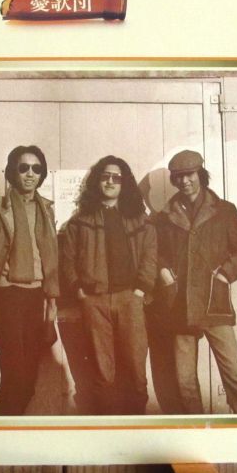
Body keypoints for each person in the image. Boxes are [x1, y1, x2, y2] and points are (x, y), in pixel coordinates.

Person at [151, 149, 237, 414]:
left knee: (235, 376)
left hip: (213, 302)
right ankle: (195, 430)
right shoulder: (165, 216)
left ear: (201, 174)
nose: (184, 181)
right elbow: (155, 252)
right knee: (184, 382)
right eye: (178, 177)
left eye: (190, 175)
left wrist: (224, 274)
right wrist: (163, 271)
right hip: (179, 305)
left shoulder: (224, 211)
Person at [60, 156, 156, 415]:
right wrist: (80, 291)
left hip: (130, 299)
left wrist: (140, 290)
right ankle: (107, 425)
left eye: (116, 177)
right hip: (95, 301)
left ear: (124, 183)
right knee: (103, 371)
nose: (110, 182)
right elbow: (67, 260)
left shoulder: (140, 220)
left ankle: (136, 427)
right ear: (97, 181)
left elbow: (150, 255)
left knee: (136, 369)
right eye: (105, 177)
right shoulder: (79, 221)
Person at [0, 145, 59, 415]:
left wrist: (51, 303)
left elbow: (51, 256)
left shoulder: (46, 209)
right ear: (13, 171)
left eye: (36, 169)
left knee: (29, 379)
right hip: (8, 295)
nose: (30, 174)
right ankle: (0, 428)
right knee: (14, 374)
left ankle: (2, 425)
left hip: (38, 296)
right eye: (23, 168)